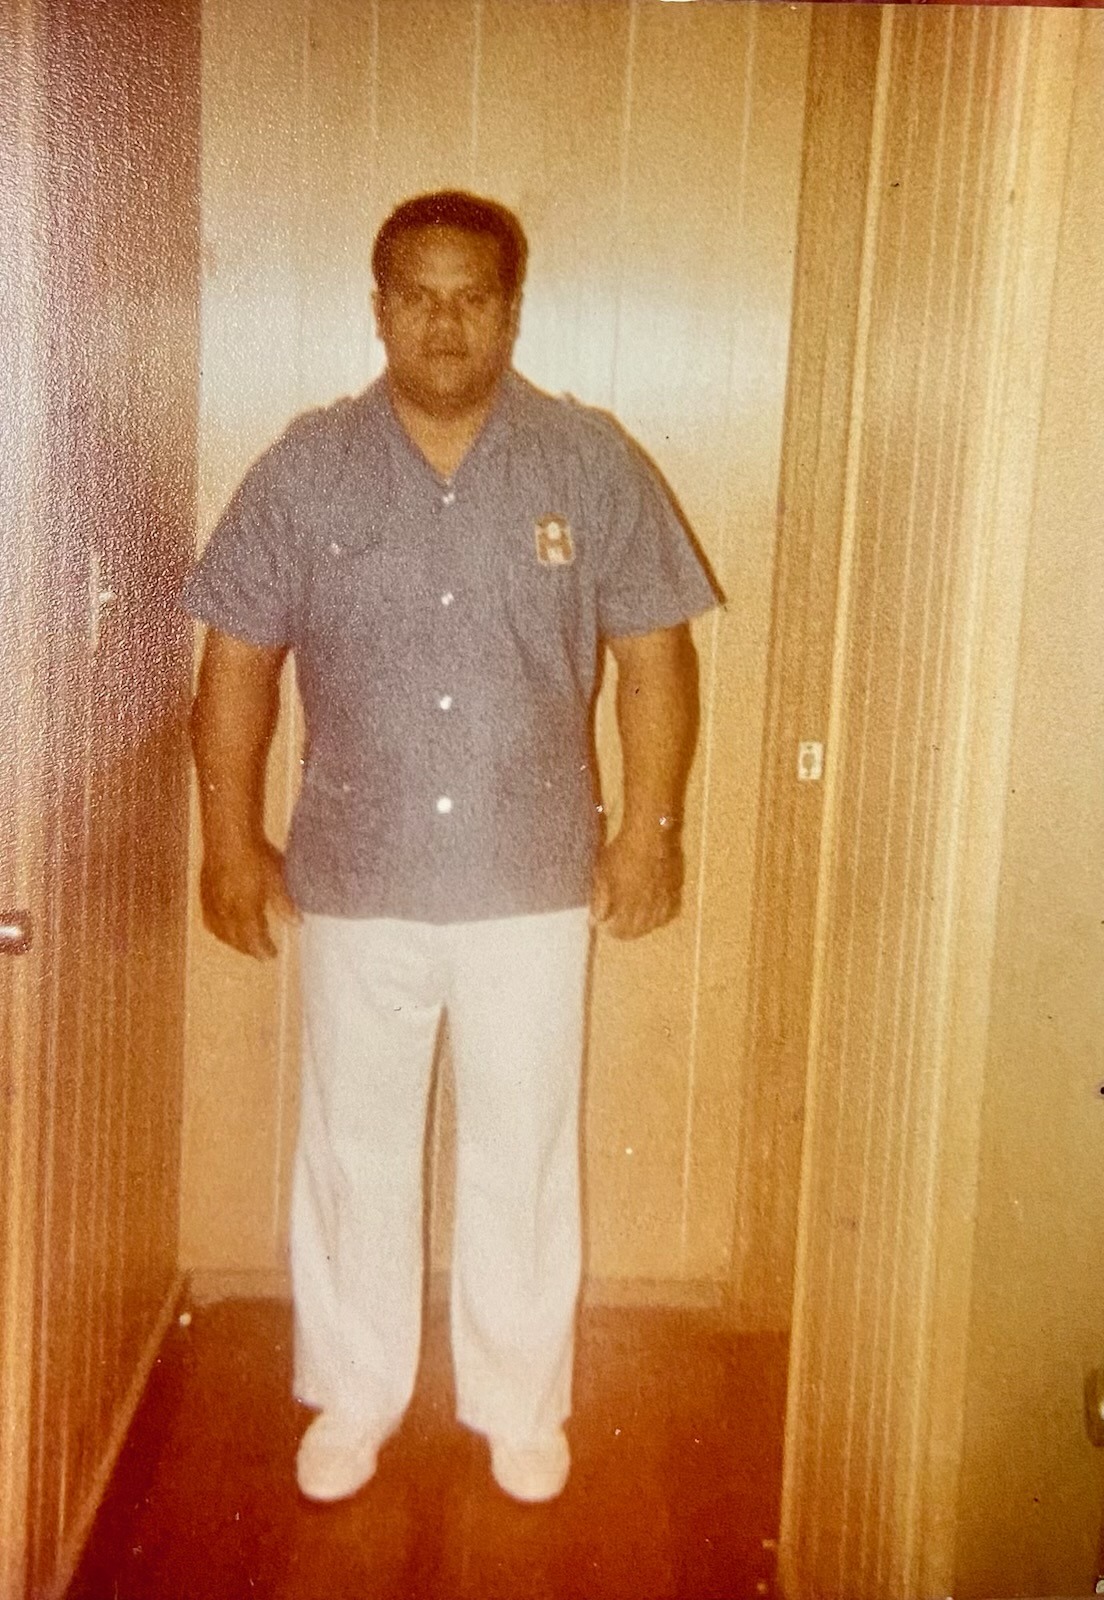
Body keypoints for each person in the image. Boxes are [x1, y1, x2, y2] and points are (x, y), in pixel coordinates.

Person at [183, 190, 718, 1507]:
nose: (443, 320)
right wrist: (230, 844)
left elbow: (656, 655)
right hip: (354, 875)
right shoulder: (304, 466)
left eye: (471, 294)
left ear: (511, 308)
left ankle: (519, 1407)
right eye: (416, 293)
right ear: (377, 307)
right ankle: (355, 1398)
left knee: (522, 1150)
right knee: (351, 1150)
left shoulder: (587, 462)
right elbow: (237, 666)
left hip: (531, 878)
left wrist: (651, 831)